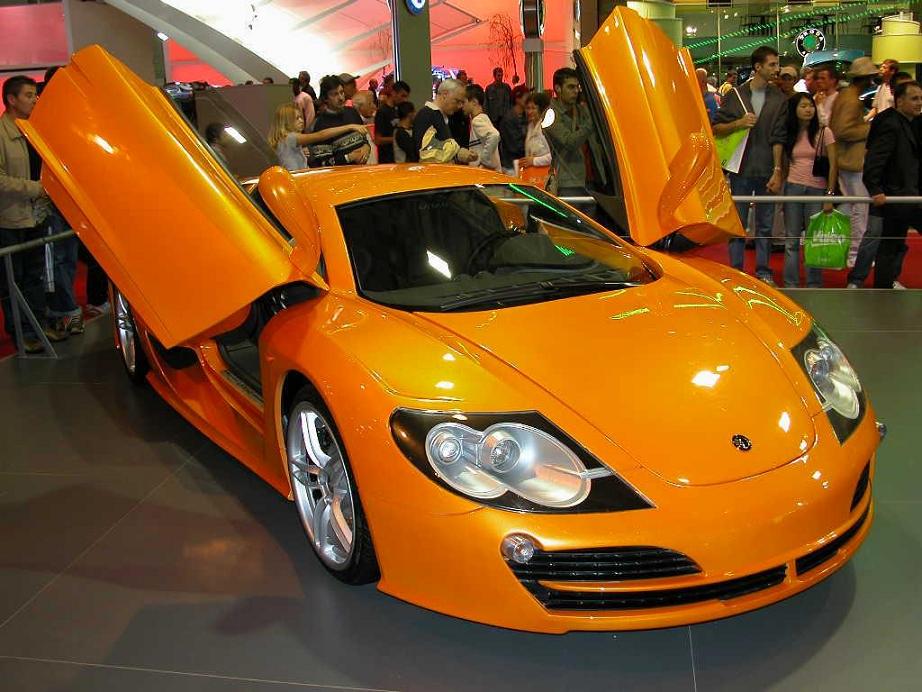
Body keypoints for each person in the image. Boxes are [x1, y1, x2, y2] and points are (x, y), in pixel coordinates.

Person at [0, 75, 67, 352]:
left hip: (37, 214)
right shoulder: (2, 134)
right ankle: (22, 333)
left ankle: (38, 326)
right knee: (12, 280)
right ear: (11, 100)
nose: (34, 100)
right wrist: (36, 188)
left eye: (35, 95)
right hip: (10, 218)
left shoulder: (34, 129)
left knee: (35, 276)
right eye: (28, 95)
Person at [712, 46, 787, 285]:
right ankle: (736, 271)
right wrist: (739, 123)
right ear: (758, 67)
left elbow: (779, 137)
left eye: (777, 64)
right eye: (772, 64)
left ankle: (763, 270)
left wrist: (777, 170)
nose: (777, 69)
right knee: (738, 224)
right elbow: (716, 128)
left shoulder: (779, 98)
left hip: (767, 168)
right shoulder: (735, 95)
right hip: (741, 168)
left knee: (765, 225)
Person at [862, 80, 922, 289]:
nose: (919, 102)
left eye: (921, 98)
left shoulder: (911, 122)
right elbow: (875, 160)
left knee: (892, 245)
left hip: (908, 194)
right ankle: (882, 287)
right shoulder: (890, 123)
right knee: (890, 245)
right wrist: (875, 189)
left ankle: (885, 285)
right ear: (900, 101)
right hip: (896, 195)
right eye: (914, 98)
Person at [781, 93, 838, 288]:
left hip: (817, 189)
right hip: (793, 187)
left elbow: (833, 165)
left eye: (810, 106)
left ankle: (814, 284)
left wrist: (829, 195)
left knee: (814, 240)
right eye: (803, 106)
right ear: (794, 110)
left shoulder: (824, 132)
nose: (808, 110)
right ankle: (791, 284)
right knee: (791, 240)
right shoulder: (789, 133)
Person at [830, 57, 875, 274]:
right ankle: (854, 254)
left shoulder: (846, 96)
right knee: (860, 208)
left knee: (849, 207)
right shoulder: (852, 100)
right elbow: (842, 130)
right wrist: (869, 129)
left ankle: (841, 248)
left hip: (846, 159)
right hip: (852, 160)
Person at [544, 67, 600, 201]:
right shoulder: (550, 115)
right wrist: (592, 122)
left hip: (592, 180)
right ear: (558, 88)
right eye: (570, 87)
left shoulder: (581, 110)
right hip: (568, 181)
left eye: (577, 87)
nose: (576, 91)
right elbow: (569, 142)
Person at [267, 102, 366, 171]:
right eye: (297, 118)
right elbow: (321, 135)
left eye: (300, 117)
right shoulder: (290, 138)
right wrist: (349, 127)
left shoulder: (286, 140)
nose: (301, 120)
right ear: (287, 121)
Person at [413, 79, 477, 164]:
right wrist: (457, 152)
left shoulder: (441, 116)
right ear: (445, 94)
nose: (460, 106)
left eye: (462, 102)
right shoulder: (426, 115)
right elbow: (426, 151)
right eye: (457, 101)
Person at [463, 85, 501, 171]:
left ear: (474, 102)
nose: (462, 106)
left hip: (484, 174)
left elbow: (494, 135)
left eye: (464, 102)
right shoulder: (484, 118)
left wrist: (485, 161)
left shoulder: (477, 120)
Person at [374, 80, 410, 164]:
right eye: (402, 96)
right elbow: (378, 140)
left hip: (399, 159)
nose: (404, 100)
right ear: (394, 93)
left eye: (406, 97)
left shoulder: (399, 110)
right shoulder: (382, 112)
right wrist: (398, 139)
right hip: (387, 160)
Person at [498, 84, 529, 174]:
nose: (529, 100)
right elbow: (514, 146)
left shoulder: (526, 116)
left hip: (523, 163)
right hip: (511, 166)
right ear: (517, 99)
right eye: (526, 97)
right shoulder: (508, 119)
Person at [519, 91, 552, 171]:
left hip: (547, 173)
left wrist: (534, 161)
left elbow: (554, 155)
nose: (529, 112)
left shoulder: (547, 128)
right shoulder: (530, 126)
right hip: (532, 173)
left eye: (533, 108)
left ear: (541, 109)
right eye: (528, 108)